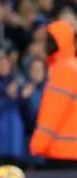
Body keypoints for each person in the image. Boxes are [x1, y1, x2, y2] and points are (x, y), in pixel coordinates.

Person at [29, 20, 77, 168]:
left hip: (63, 151)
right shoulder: (72, 67)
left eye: (46, 40)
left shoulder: (62, 70)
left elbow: (52, 113)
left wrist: (37, 144)